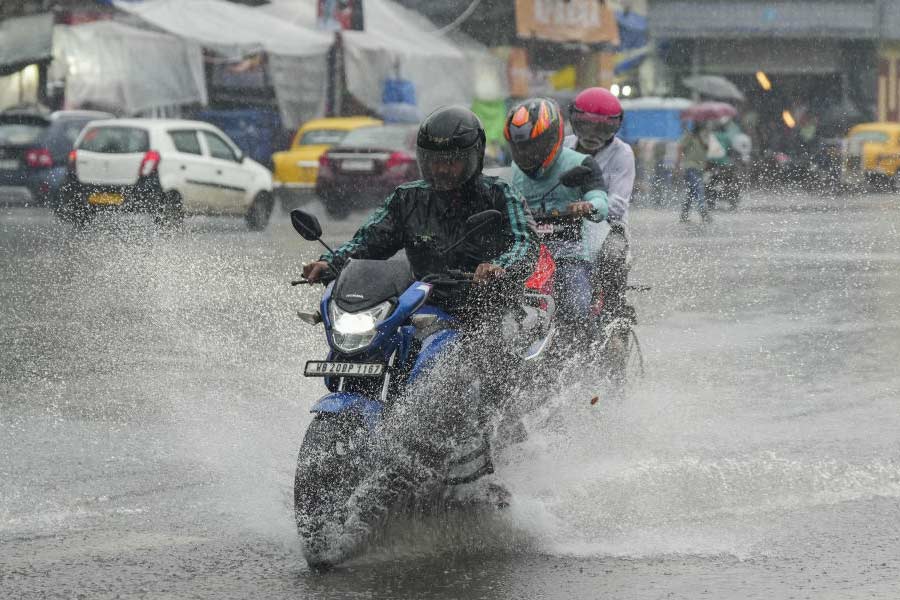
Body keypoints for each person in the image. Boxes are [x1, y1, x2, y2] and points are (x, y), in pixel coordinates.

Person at [300, 106, 538, 565]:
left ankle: (474, 464)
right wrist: (333, 264)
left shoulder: (498, 193)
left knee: (460, 377)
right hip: (418, 306)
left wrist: (500, 267)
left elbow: (526, 243)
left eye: (452, 160)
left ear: (474, 157)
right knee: (377, 341)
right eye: (434, 159)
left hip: (477, 311)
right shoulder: (407, 197)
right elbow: (369, 241)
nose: (443, 169)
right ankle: (374, 452)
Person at [503, 97, 609, 345]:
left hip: (569, 254)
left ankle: (589, 356)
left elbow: (602, 202)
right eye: (521, 147)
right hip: (528, 256)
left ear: (554, 137)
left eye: (534, 146)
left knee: (575, 305)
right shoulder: (515, 172)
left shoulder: (581, 163)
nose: (526, 154)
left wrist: (588, 205)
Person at [565, 87, 635, 320]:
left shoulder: (623, 153)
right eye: (587, 125)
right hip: (561, 223)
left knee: (613, 257)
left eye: (603, 128)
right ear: (574, 121)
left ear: (615, 127)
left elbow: (618, 204)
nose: (593, 134)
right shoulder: (562, 147)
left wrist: (588, 206)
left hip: (607, 228)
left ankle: (615, 316)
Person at [677, 122, 710, 222]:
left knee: (691, 192)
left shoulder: (703, 136)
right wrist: (678, 164)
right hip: (690, 167)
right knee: (699, 189)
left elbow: (707, 148)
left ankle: (684, 214)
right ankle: (703, 211)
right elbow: (680, 147)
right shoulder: (689, 136)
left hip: (700, 167)